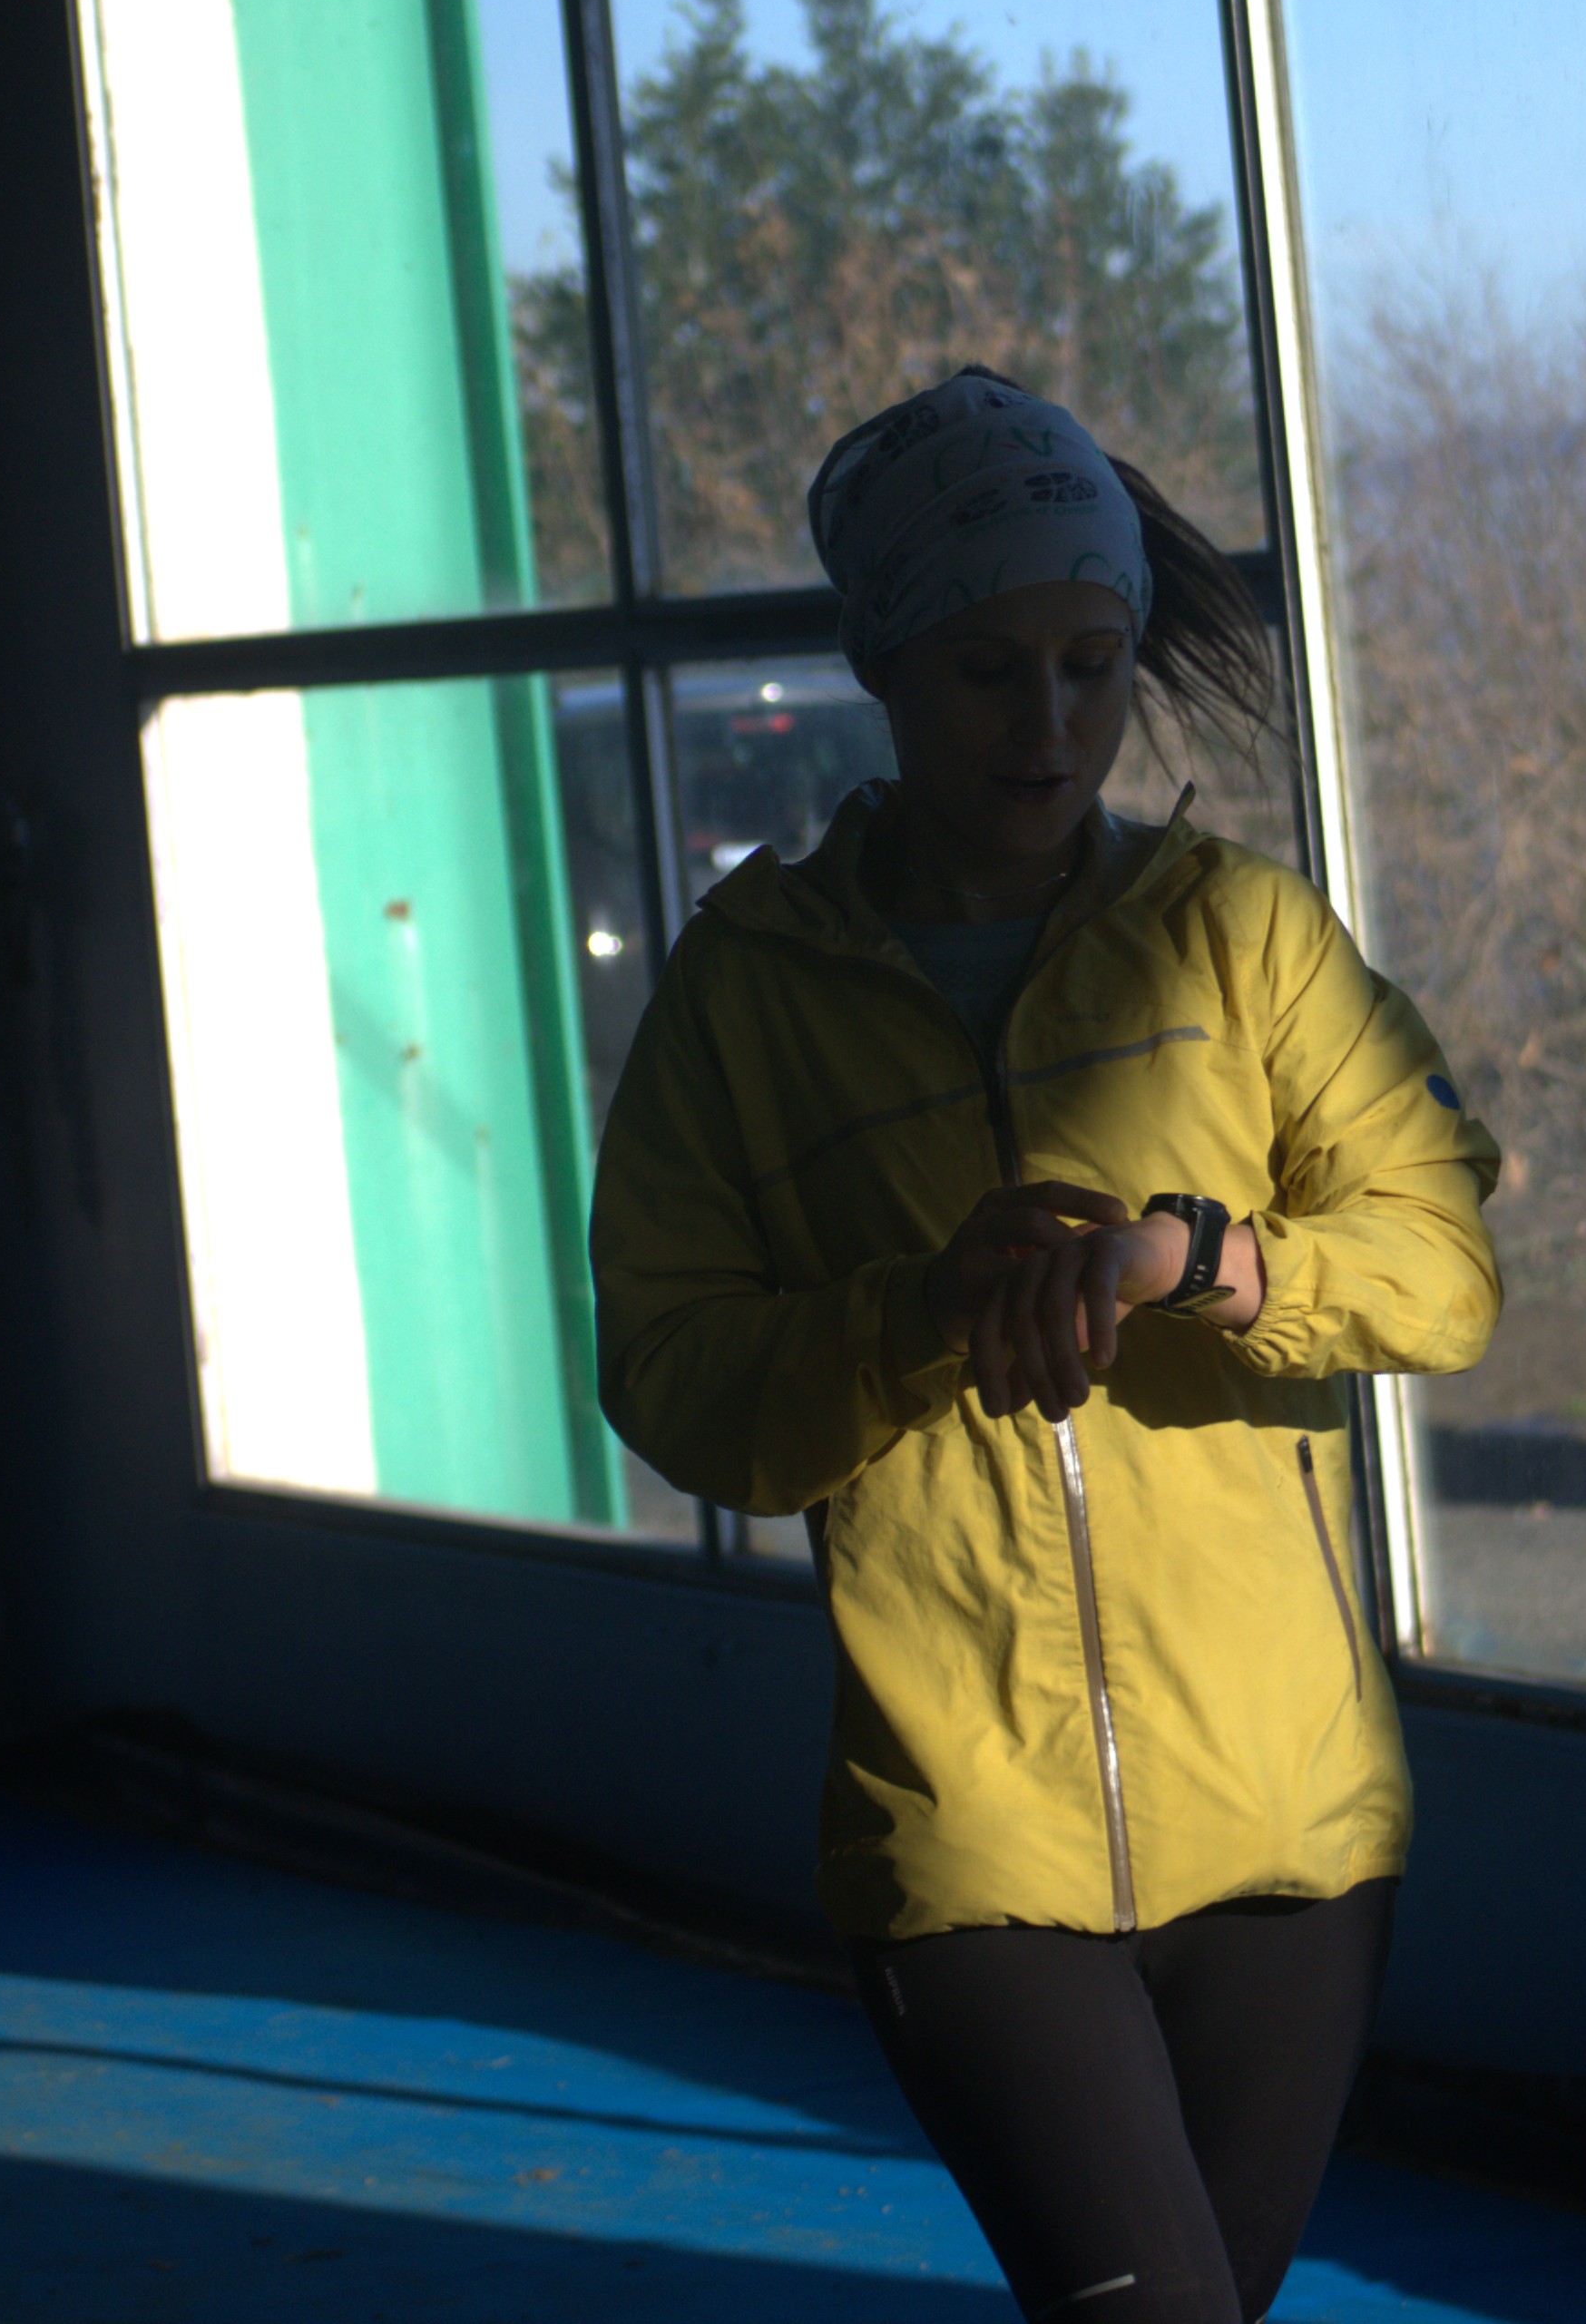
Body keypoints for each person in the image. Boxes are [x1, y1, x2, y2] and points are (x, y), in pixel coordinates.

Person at [591, 368, 1501, 2324]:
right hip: (968, 1837)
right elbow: (676, 1381)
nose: (1052, 724)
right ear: (885, 664)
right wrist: (919, 1314)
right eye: (991, 670)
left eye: (1092, 665)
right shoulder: (748, 990)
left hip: (1292, 1821)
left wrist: (1204, 1261)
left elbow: (1443, 1269)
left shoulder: (1239, 936)